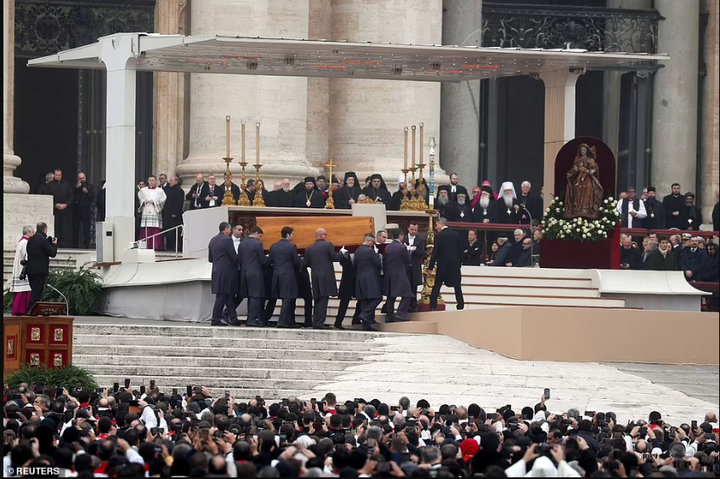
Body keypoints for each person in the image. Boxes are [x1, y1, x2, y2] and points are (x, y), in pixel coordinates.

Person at [304, 228, 341, 330]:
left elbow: (306, 263)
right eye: (326, 234)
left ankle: (316, 321)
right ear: (321, 235)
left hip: (315, 275)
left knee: (317, 299)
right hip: (326, 276)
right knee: (324, 299)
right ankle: (320, 323)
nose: (326, 237)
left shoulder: (309, 248)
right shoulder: (328, 245)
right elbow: (334, 257)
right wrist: (342, 253)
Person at [268, 227, 302, 328]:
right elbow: (296, 261)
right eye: (292, 234)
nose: (293, 236)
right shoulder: (291, 246)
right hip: (288, 275)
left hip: (276, 274)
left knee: (283, 298)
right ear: (287, 235)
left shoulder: (273, 246)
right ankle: (282, 321)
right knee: (288, 298)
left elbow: (270, 261)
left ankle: (290, 321)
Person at [428, 218, 464, 311]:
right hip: (454, 265)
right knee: (457, 286)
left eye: (436, 225)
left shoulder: (439, 236)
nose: (436, 227)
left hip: (443, 265)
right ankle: (460, 305)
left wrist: (430, 267)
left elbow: (435, 252)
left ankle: (433, 306)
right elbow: (460, 250)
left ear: (441, 224)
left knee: (437, 285)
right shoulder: (455, 234)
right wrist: (459, 264)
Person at [208, 222, 239, 327]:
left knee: (228, 295)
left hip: (216, 270)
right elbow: (234, 257)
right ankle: (215, 319)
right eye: (229, 229)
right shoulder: (227, 240)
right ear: (226, 229)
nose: (230, 232)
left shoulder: (212, 240)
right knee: (221, 295)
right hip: (226, 271)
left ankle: (234, 319)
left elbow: (210, 259)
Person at [25, 222, 58, 314]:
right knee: (37, 293)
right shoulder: (43, 240)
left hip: (30, 270)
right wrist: (54, 244)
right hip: (40, 270)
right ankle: (29, 311)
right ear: (45, 229)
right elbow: (52, 253)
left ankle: (33, 311)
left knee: (34, 291)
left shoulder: (30, 240)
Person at [564, 143, 604, 219]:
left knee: (588, 188)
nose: (583, 151)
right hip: (579, 177)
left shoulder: (590, 159)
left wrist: (593, 170)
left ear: (587, 151)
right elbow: (574, 170)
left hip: (588, 178)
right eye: (581, 150)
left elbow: (595, 167)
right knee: (577, 188)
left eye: (584, 150)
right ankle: (578, 208)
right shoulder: (577, 159)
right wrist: (573, 172)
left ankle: (587, 208)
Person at [383, 229, 414, 323]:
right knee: (407, 295)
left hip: (389, 273)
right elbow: (408, 260)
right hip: (400, 273)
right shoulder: (401, 247)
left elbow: (384, 261)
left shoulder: (387, 247)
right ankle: (400, 314)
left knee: (391, 296)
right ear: (400, 235)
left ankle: (389, 315)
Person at [239, 226, 267, 327]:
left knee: (250, 297)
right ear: (255, 233)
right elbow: (262, 260)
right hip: (255, 273)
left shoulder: (242, 244)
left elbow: (240, 259)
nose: (259, 238)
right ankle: (252, 319)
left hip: (244, 273)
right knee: (255, 296)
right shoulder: (258, 244)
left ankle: (250, 318)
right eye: (259, 236)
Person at [354, 233, 382, 331]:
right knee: (378, 298)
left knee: (364, 301)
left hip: (360, 277)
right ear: (369, 241)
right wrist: (376, 253)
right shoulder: (370, 251)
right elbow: (378, 263)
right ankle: (365, 314)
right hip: (370, 278)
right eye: (372, 242)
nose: (372, 244)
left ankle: (366, 325)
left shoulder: (357, 251)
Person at [6, 225, 34, 315]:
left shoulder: (21, 242)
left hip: (19, 269)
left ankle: (18, 309)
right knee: (24, 289)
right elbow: (27, 256)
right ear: (28, 232)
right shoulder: (26, 243)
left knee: (21, 291)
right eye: (32, 232)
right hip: (23, 270)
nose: (33, 234)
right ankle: (22, 310)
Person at [137, 176, 167, 250]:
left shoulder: (160, 190)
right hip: (146, 210)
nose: (151, 182)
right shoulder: (143, 190)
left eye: (153, 180)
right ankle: (145, 245)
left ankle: (156, 246)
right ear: (148, 181)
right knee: (146, 228)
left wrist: (154, 202)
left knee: (155, 228)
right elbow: (140, 198)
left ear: (155, 181)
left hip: (155, 211)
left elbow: (163, 199)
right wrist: (144, 202)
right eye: (150, 180)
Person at [404, 222, 426, 312]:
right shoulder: (404, 238)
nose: (414, 231)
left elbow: (423, 253)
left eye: (415, 230)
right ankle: (406, 306)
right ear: (408, 229)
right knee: (406, 287)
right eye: (412, 229)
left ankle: (413, 306)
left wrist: (415, 249)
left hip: (415, 267)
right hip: (405, 267)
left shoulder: (420, 240)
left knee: (414, 287)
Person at [48, 169, 73, 248]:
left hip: (64, 210)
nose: (58, 177)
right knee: (56, 227)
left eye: (59, 175)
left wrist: (66, 204)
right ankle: (55, 243)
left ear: (61, 175)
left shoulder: (66, 184)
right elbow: (47, 196)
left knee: (64, 228)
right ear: (54, 175)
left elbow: (71, 196)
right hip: (55, 210)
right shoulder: (50, 185)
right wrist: (55, 205)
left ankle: (63, 244)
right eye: (56, 175)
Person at [72, 171, 95, 249]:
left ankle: (86, 244)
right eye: (80, 178)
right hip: (77, 209)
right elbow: (71, 194)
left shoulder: (90, 186)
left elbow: (93, 196)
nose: (81, 180)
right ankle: (75, 244)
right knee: (76, 228)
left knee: (86, 228)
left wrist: (87, 192)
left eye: (83, 178)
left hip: (86, 209)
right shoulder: (76, 187)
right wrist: (76, 188)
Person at [163, 176, 185, 252]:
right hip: (167, 214)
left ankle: (175, 247)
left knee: (175, 232)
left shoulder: (179, 190)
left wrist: (175, 212)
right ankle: (169, 246)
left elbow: (179, 203)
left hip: (175, 215)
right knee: (168, 231)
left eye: (171, 180)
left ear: (176, 181)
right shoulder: (168, 190)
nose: (170, 182)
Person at [230, 224, 244, 313]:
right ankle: (230, 313)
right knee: (231, 293)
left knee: (241, 293)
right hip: (231, 270)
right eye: (239, 230)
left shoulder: (244, 241)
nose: (241, 232)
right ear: (233, 230)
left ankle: (229, 311)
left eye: (242, 230)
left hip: (241, 270)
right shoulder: (227, 241)